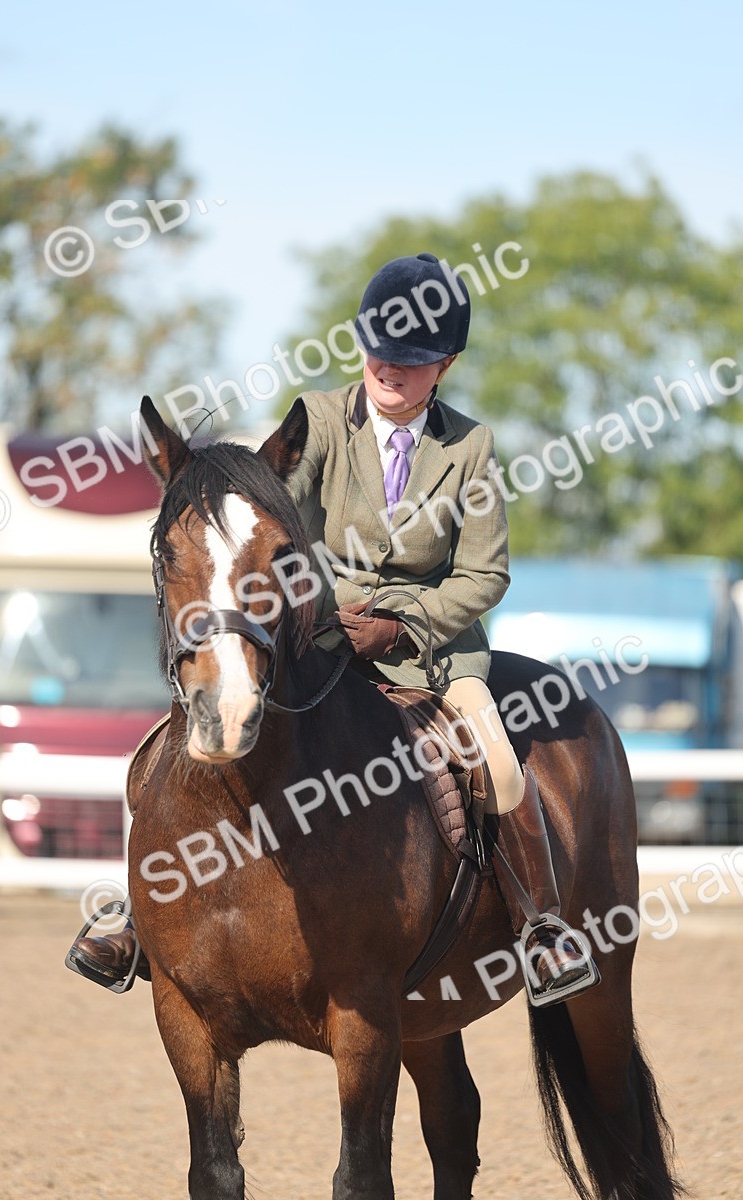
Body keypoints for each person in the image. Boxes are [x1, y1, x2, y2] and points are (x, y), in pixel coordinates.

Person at [71, 252, 598, 1006]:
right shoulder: (316, 421)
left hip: (434, 657)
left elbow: (485, 576)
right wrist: (314, 607)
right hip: (317, 641)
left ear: (444, 365)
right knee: (176, 742)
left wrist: (399, 622)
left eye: (412, 362)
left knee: (499, 763)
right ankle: (135, 914)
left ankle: (542, 927)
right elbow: (267, 520)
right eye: (381, 352)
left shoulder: (470, 448)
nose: (391, 370)